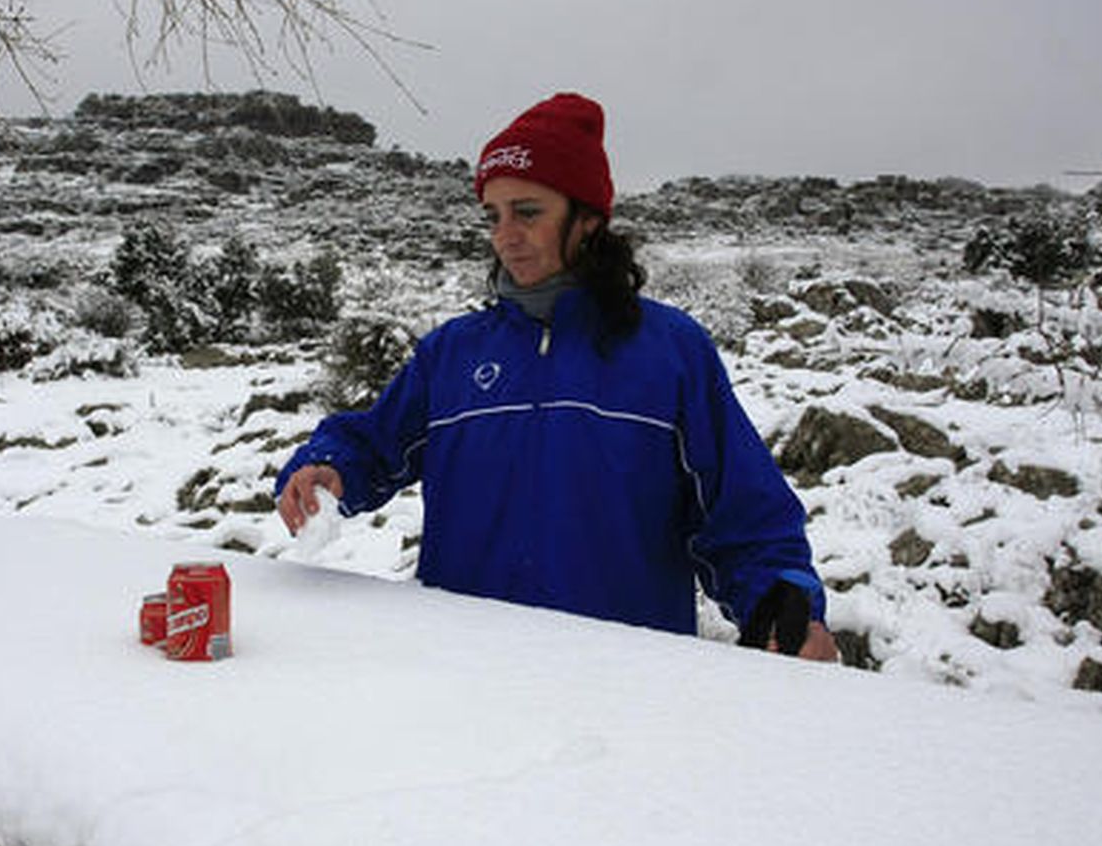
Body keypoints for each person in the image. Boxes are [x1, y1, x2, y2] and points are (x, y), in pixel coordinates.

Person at [275, 92, 838, 661]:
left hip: (629, 681)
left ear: (587, 218)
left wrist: (781, 601)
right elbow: (372, 446)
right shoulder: (452, 353)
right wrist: (328, 468)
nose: (505, 235)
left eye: (527, 212)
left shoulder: (670, 352)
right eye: (493, 216)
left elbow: (743, 513)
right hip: (461, 669)